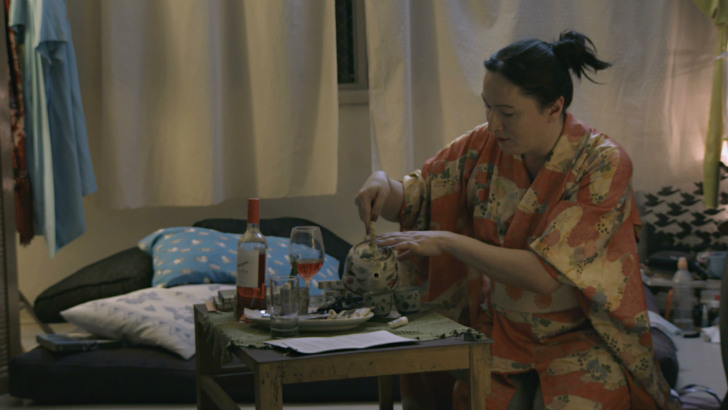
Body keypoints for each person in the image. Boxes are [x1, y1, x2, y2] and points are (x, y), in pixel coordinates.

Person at [355, 31, 678, 410]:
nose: (494, 124)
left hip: (584, 334)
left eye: (508, 113)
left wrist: (447, 242)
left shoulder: (602, 163)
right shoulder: (482, 145)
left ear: (554, 108)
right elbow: (420, 199)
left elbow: (544, 274)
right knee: (477, 401)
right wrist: (382, 183)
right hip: (501, 329)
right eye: (488, 108)